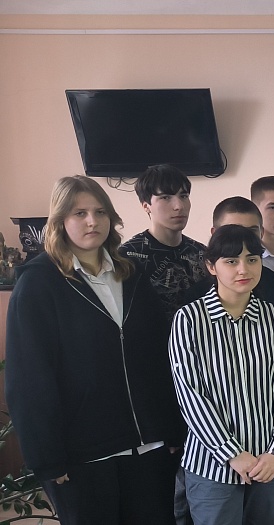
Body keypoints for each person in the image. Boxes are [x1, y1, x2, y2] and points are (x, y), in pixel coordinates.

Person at [6, 176, 185, 524]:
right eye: (80, 213)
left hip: (148, 448)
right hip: (82, 457)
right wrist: (47, 459)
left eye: (100, 211)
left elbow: (159, 360)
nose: (92, 221)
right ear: (60, 220)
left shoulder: (131, 273)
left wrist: (172, 428)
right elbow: (28, 380)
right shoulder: (38, 283)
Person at [169, 225, 274, 525]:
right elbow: (190, 395)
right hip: (213, 465)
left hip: (272, 463)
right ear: (211, 266)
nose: (244, 269)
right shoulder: (189, 319)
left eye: (252, 259)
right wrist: (231, 453)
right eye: (231, 261)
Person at [183, 197, 274, 329]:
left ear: (262, 233)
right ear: (215, 234)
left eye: (251, 231)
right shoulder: (193, 302)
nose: (242, 238)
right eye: (231, 231)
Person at [119, 163, 206, 321]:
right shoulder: (127, 257)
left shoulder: (202, 253)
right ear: (146, 206)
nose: (178, 206)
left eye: (183, 196)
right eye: (165, 197)